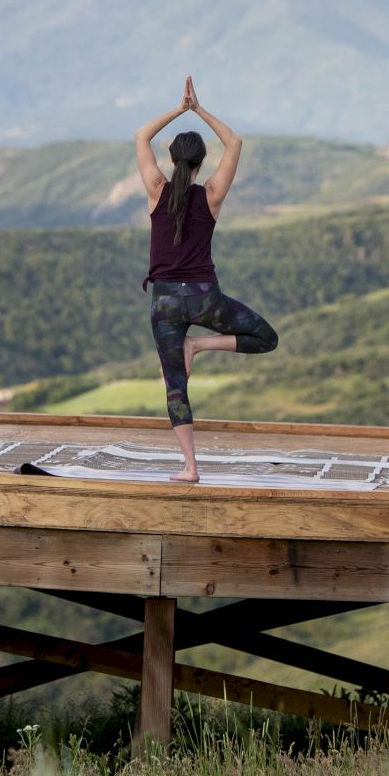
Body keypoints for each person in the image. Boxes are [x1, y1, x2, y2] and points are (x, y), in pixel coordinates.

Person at [133, 76, 280, 482]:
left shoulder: (155, 189)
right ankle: (199, 344)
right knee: (266, 338)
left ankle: (191, 467)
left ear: (172, 157)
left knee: (175, 386)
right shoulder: (212, 193)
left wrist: (179, 109)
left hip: (164, 302)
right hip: (204, 297)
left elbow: (141, 135)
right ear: (200, 162)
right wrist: (199, 109)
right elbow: (234, 143)